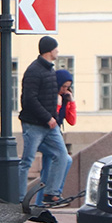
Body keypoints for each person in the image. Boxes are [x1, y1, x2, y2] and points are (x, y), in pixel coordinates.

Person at [17, 35, 69, 203]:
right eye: (56, 48)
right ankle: (19, 199)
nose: (57, 51)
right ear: (49, 50)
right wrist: (48, 117)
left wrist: (54, 117)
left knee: (62, 156)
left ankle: (50, 193)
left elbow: (49, 98)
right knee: (27, 161)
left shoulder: (49, 70)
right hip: (34, 125)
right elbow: (29, 99)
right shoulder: (34, 70)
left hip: (50, 125)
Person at [38, 69, 76, 203]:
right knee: (51, 167)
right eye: (63, 86)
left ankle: (51, 196)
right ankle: (50, 196)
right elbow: (51, 118)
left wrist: (71, 102)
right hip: (45, 136)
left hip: (55, 134)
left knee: (48, 171)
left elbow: (72, 121)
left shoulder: (64, 97)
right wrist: (58, 105)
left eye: (67, 87)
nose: (65, 90)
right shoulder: (49, 96)